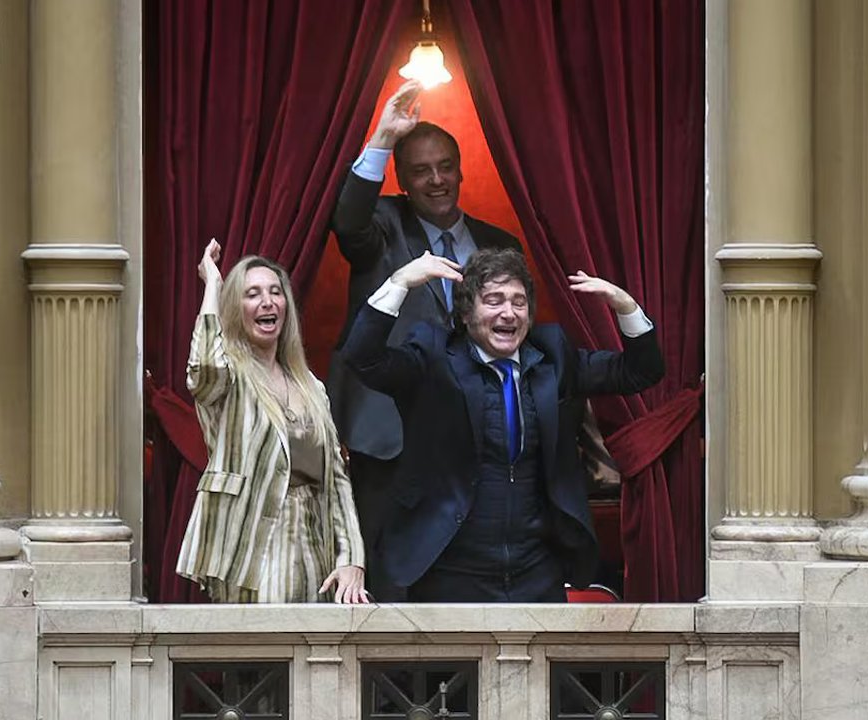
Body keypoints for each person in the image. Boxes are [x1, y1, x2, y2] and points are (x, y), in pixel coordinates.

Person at [341, 248, 664, 602]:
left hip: (536, 568)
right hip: (450, 569)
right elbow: (363, 358)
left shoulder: (553, 357)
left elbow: (641, 370)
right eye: (493, 301)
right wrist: (400, 282)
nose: (508, 312)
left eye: (518, 302)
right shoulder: (433, 357)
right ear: (466, 314)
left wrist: (625, 306)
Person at [328, 80, 522, 599]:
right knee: (387, 576)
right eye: (420, 170)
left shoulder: (497, 243)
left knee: (459, 575)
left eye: (445, 167)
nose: (436, 180)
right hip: (388, 434)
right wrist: (383, 138)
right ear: (402, 180)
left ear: (461, 170)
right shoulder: (383, 226)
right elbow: (346, 222)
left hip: (471, 434)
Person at [176, 239, 368, 604]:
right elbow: (205, 368)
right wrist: (213, 288)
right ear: (235, 309)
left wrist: (352, 559)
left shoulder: (310, 385)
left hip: (313, 546)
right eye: (252, 294)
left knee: (315, 657)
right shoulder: (229, 374)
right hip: (252, 548)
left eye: (275, 292)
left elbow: (337, 479)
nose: (267, 302)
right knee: (266, 656)